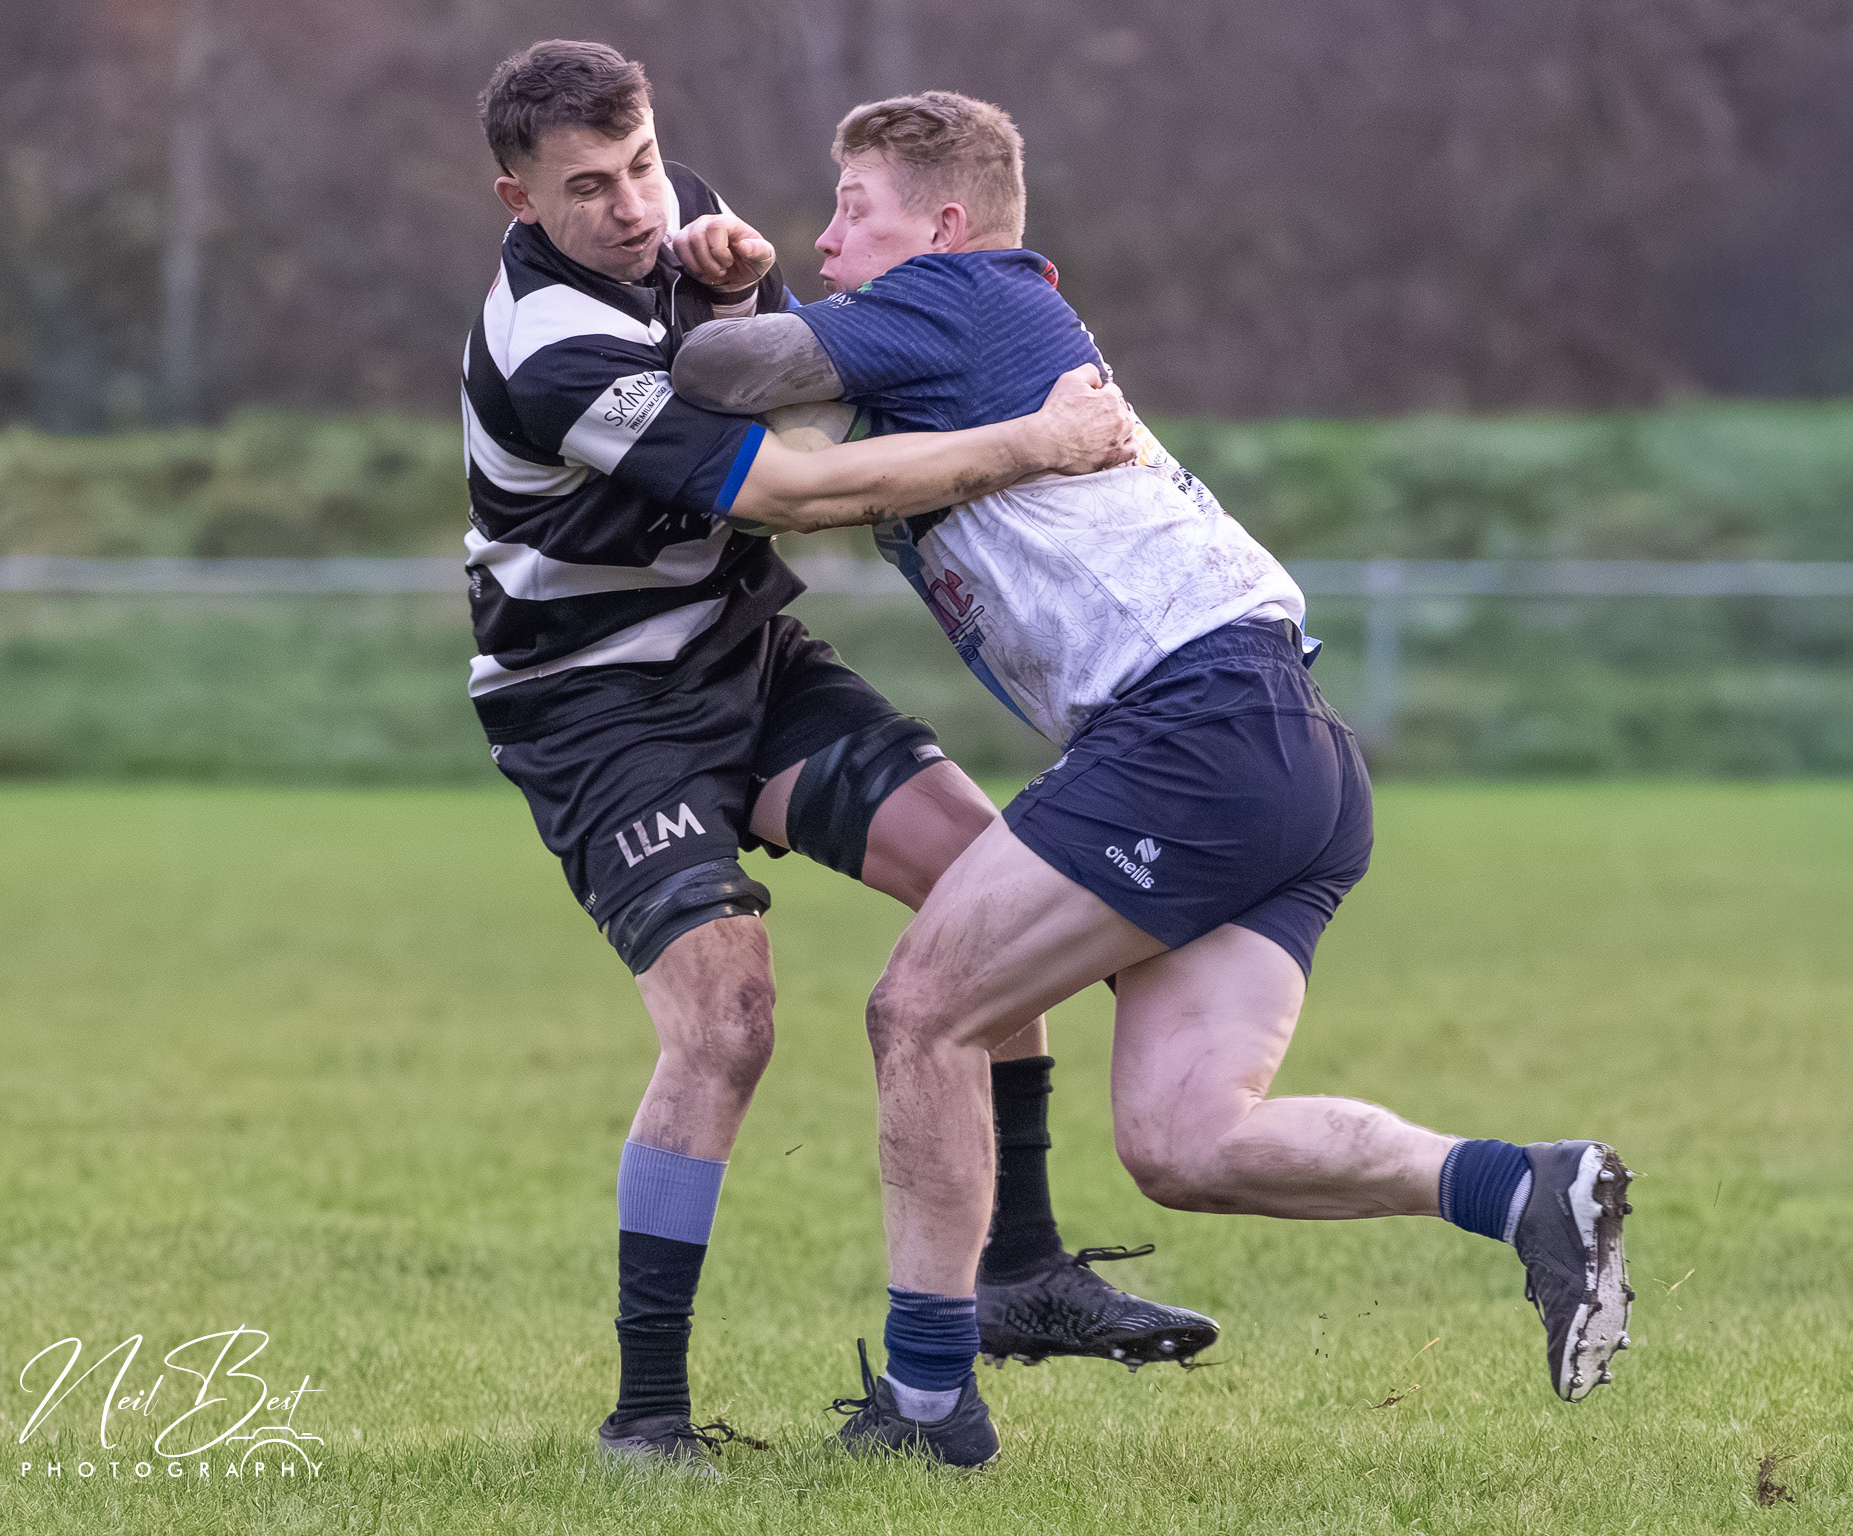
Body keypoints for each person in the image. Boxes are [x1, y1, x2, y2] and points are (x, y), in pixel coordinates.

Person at [671, 90, 1635, 1468]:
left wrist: (724, 281)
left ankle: (928, 1404)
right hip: (1289, 750)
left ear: (942, 226)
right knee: (1187, 1140)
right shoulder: (964, 331)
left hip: (1193, 726)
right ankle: (1526, 1188)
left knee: (921, 1013)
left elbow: (723, 377)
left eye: (851, 211)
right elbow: (808, 448)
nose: (825, 242)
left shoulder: (954, 298)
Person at [461, 43, 1217, 1468]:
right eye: (589, 187)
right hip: (596, 707)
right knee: (727, 1026)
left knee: (995, 894)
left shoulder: (680, 214)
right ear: (519, 199)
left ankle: (1022, 1274)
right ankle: (647, 1416)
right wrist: (1035, 441)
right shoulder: (545, 347)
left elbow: (786, 380)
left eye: (642, 164)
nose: (634, 206)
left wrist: (743, 290)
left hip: (742, 657)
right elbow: (797, 490)